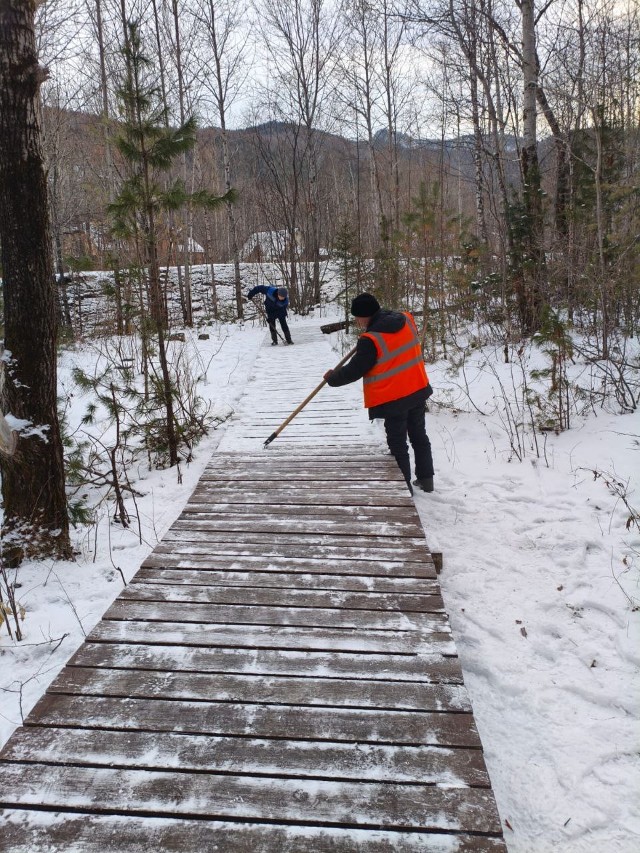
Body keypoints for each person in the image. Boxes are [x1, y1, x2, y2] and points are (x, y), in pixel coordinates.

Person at [324, 292, 434, 495]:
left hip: (394, 398)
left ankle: (404, 490)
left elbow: (355, 370)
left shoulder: (370, 340)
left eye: (357, 318)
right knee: (419, 435)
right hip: (417, 388)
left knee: (398, 443)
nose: (357, 322)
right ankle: (426, 480)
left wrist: (333, 378)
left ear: (365, 316)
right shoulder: (406, 319)